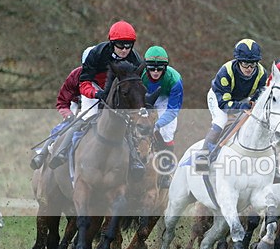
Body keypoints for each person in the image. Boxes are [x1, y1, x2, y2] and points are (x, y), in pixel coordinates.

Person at [48, 21, 145, 178]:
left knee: (126, 121)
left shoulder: (135, 59)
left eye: (129, 46)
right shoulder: (97, 53)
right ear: (112, 43)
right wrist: (95, 93)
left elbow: (134, 85)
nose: (125, 50)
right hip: (94, 87)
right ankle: (62, 151)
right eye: (121, 45)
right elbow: (84, 82)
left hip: (116, 90)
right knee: (85, 117)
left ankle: (135, 159)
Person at [193, 38, 268, 168]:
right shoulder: (226, 72)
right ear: (238, 61)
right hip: (219, 98)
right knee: (221, 120)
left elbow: (259, 95)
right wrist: (243, 106)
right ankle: (203, 155)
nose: (249, 68)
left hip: (241, 98)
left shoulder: (262, 74)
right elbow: (225, 105)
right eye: (245, 64)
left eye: (253, 64)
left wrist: (253, 103)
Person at [29, 46, 93, 169]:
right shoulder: (75, 75)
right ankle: (42, 155)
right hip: (76, 108)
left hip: (96, 109)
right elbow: (62, 102)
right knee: (60, 129)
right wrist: (69, 115)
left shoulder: (106, 76)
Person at [141, 45, 183, 188]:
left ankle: (166, 171)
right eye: (152, 68)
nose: (156, 72)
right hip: (144, 99)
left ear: (166, 67)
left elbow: (172, 110)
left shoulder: (175, 80)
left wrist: (157, 124)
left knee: (166, 131)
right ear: (146, 66)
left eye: (160, 68)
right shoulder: (140, 74)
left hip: (165, 99)